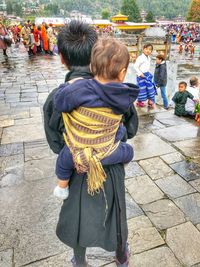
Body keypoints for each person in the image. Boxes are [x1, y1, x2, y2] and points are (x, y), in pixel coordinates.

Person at [43, 21, 139, 267]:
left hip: (75, 167)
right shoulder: (118, 93)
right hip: (111, 169)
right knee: (117, 215)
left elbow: (55, 143)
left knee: (76, 216)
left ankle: (80, 259)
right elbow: (131, 129)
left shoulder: (59, 96)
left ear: (62, 58)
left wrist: (81, 150)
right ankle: (121, 255)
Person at [53, 38, 139, 200]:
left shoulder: (78, 88)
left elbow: (59, 102)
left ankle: (62, 187)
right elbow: (128, 123)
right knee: (128, 151)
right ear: (122, 73)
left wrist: (67, 85)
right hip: (108, 152)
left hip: (78, 152)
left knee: (64, 159)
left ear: (92, 67)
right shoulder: (123, 95)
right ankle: (118, 163)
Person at [134, 43, 157, 108]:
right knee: (142, 89)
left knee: (150, 88)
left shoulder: (148, 58)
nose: (148, 50)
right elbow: (135, 66)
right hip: (141, 76)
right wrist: (140, 74)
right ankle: (139, 102)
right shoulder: (140, 58)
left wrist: (148, 74)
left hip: (147, 75)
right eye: (146, 49)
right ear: (143, 49)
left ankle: (150, 101)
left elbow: (147, 67)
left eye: (150, 49)